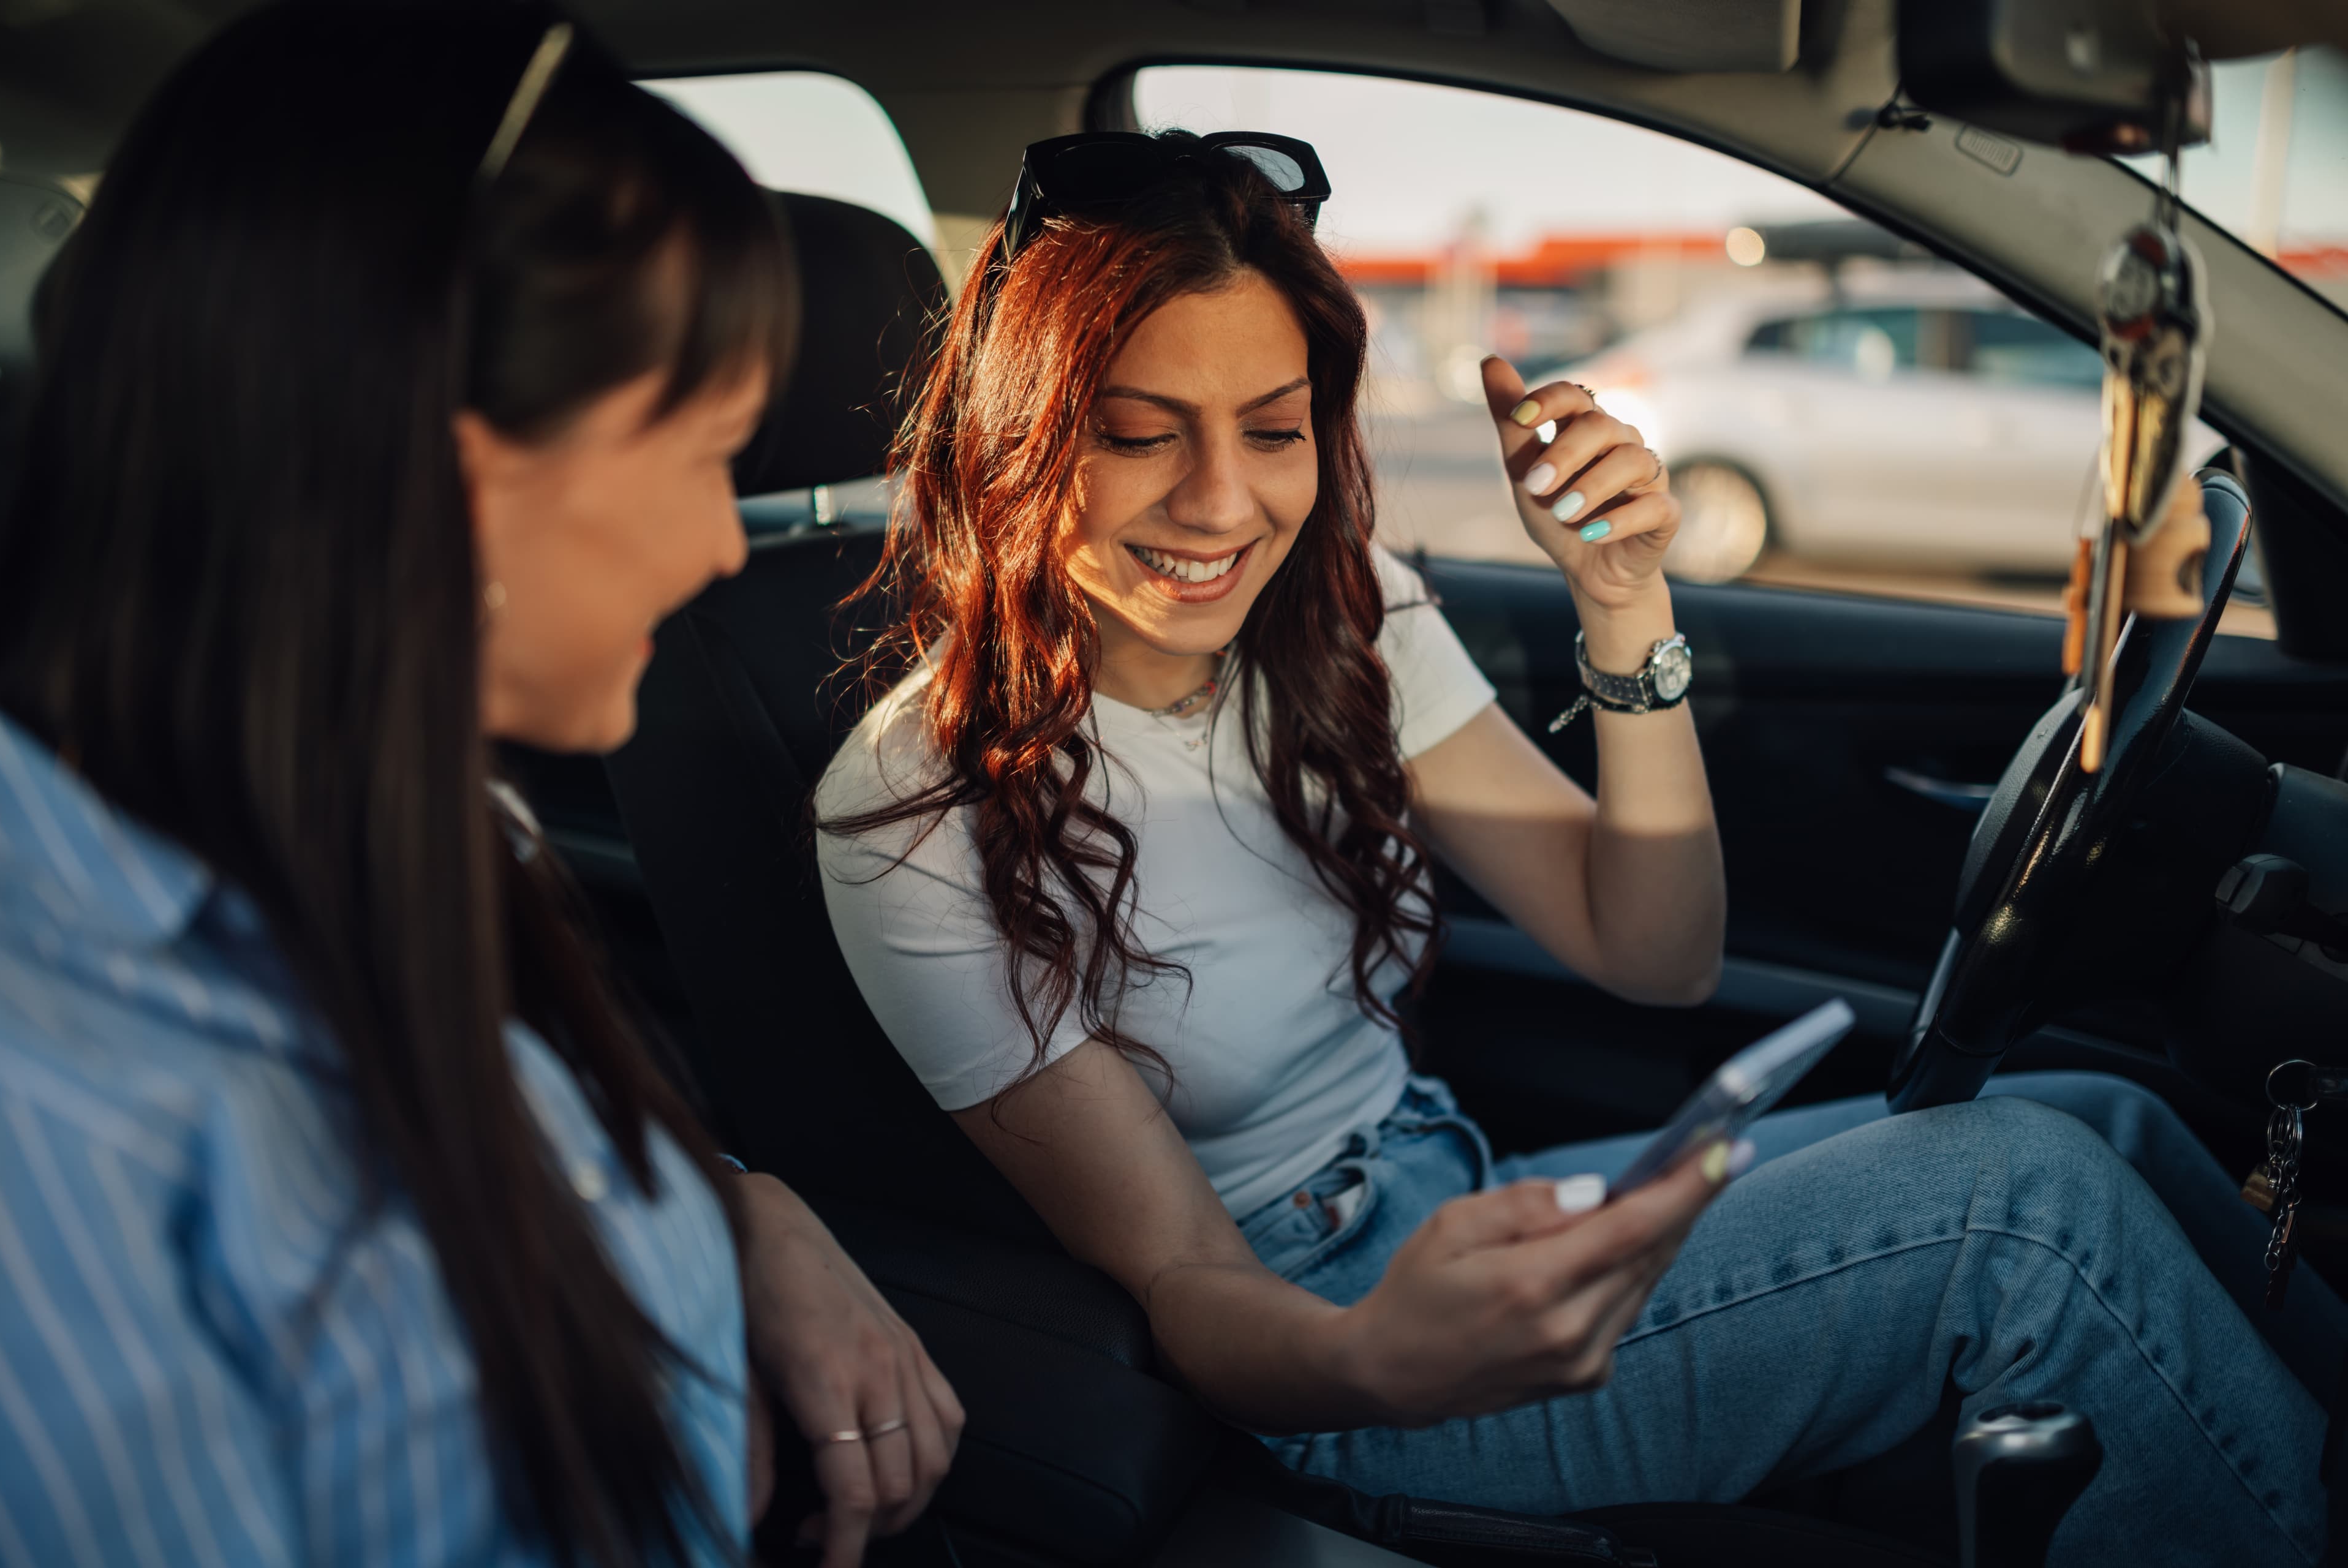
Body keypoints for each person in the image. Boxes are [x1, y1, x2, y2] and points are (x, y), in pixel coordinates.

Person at [814, 130, 2344, 1564]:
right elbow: (1182, 1279)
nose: (1224, 501)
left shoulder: (1345, 618)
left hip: (1469, 1185)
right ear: (1017, 444)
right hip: (1329, 1345)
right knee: (2026, 1202)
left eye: (1274, 430)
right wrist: (1373, 1352)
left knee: (2104, 1115)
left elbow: (1653, 949)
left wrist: (1626, 606)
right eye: (1140, 436)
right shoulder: (914, 805)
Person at [0, 5, 959, 1566]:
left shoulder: (406, 823)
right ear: (445, 474)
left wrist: (731, 1210)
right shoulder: (57, 1113)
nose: (727, 544)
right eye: (702, 454)